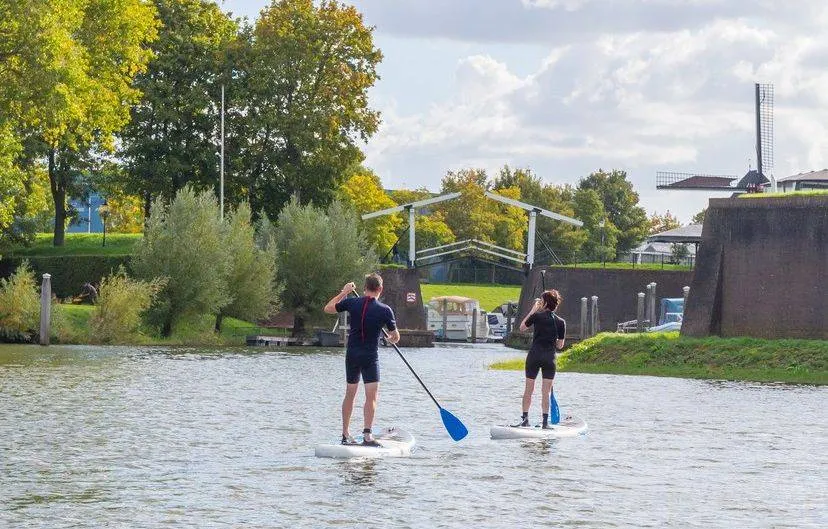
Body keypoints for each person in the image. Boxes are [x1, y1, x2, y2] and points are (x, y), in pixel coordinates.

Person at [323, 273, 400, 446]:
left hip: (352, 355)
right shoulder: (385, 310)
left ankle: (345, 435)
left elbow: (328, 308)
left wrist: (344, 292)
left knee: (350, 394)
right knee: (371, 397)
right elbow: (395, 337)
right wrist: (390, 339)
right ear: (380, 289)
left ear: (365, 288)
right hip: (369, 358)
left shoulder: (352, 302)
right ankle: (367, 436)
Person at [515, 289, 566, 429]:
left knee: (529, 390)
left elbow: (522, 328)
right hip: (549, 359)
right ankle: (544, 423)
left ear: (543, 303)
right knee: (546, 392)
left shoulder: (536, 316)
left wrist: (533, 310)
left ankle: (525, 419)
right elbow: (560, 345)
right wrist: (553, 338)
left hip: (534, 356)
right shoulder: (561, 322)